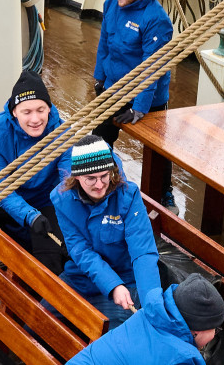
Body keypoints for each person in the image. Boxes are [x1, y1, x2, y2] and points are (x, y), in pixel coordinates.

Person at [54, 136, 161, 327]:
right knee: (38, 321)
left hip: (125, 282)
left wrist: (152, 304)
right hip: (79, 278)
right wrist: (111, 284)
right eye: (91, 179)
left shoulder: (129, 197)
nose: (99, 185)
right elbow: (80, 250)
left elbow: (143, 252)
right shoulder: (61, 199)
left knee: (118, 330)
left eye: (104, 176)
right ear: (77, 177)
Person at [0, 70, 69, 271]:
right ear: (14, 112)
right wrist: (29, 215)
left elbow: (67, 184)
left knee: (52, 256)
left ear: (49, 109)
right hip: (7, 195)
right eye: (27, 112)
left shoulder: (62, 133)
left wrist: (62, 217)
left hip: (47, 200)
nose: (35, 119)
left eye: (40, 110)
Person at [90, 0, 173, 144]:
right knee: (98, 143)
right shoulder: (112, 2)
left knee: (156, 149)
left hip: (149, 97)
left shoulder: (156, 20)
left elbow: (151, 68)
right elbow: (104, 43)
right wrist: (100, 79)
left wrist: (139, 108)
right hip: (115, 88)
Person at [66, 273, 224, 365]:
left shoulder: (145, 315)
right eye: (215, 329)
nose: (214, 335)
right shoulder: (182, 358)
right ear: (198, 330)